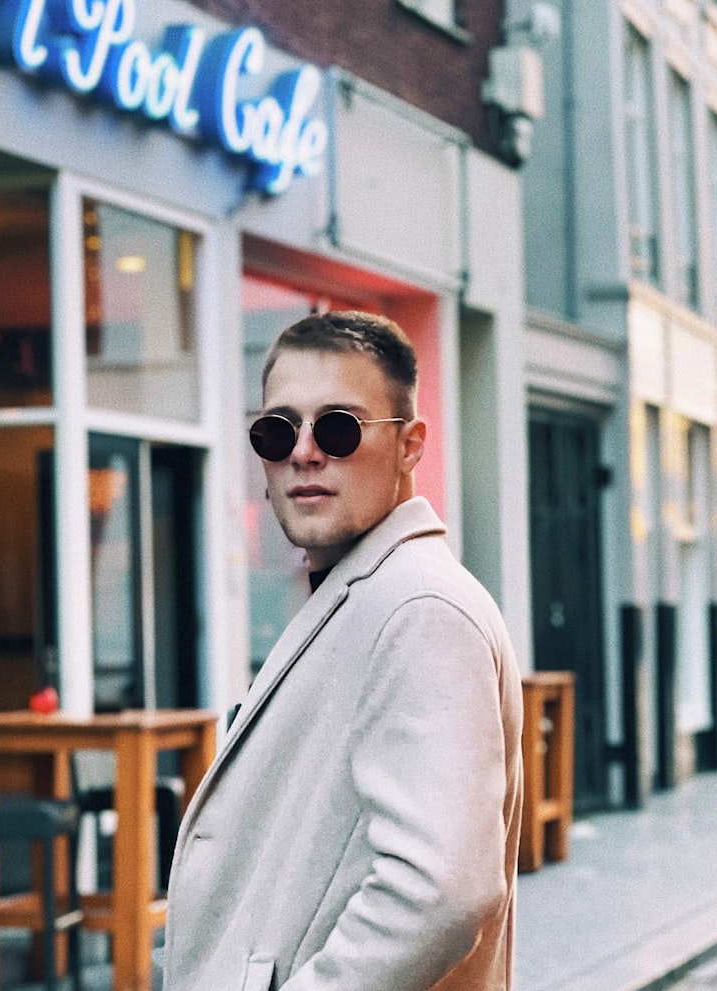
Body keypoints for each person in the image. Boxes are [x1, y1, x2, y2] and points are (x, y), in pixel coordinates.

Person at [162, 310, 523, 991]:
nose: (303, 451)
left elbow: (441, 890)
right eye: (277, 429)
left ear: (411, 445)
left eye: (337, 426)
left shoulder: (419, 608)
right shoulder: (361, 593)